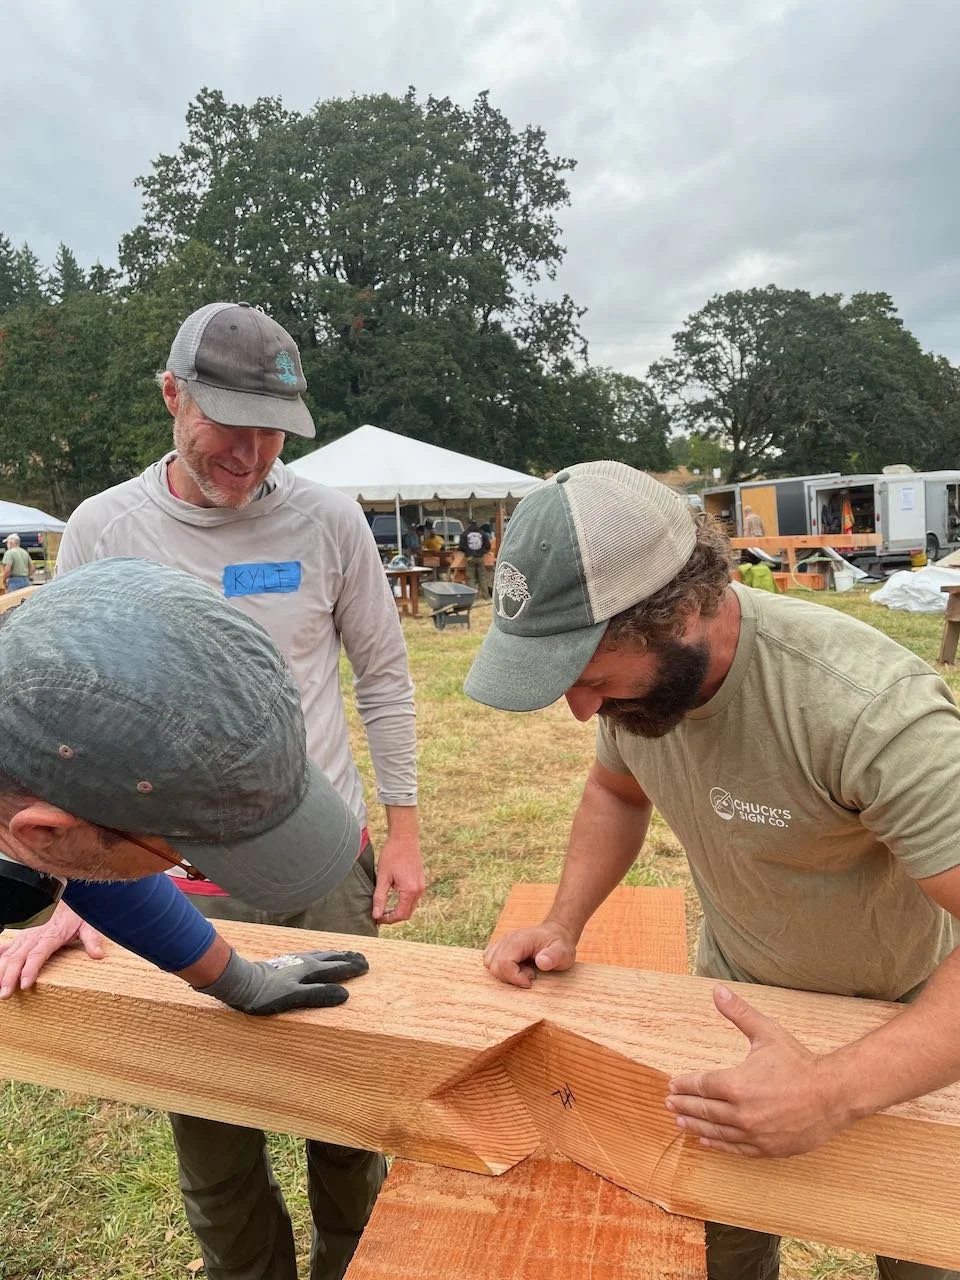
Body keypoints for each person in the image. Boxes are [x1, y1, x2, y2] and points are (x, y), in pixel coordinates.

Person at [465, 460, 960, 1280]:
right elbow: (615, 792)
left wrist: (831, 1091)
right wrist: (563, 920)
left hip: (904, 1020)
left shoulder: (865, 707)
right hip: (734, 1004)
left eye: (589, 674)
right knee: (715, 1251)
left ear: (685, 609)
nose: (581, 708)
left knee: (923, 1252)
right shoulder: (640, 698)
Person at [50, 301, 425, 1280]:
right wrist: (68, 887)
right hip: (176, 886)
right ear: (172, 395)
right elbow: (60, 727)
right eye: (231, 422)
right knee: (215, 1146)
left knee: (347, 1123)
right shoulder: (104, 530)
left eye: (273, 430)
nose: (253, 452)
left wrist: (404, 827)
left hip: (321, 868)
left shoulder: (327, 517)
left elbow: (383, 672)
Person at [0, 558, 368, 1016]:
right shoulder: (53, 825)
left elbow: (90, 864)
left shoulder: (40, 804)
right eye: (184, 857)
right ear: (40, 831)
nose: (184, 865)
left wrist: (241, 982)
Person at [458, 520, 491, 598]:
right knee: (482, 577)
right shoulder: (482, 533)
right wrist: (481, 552)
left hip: (470, 558)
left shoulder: (465, 534)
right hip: (480, 558)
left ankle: (472, 597)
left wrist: (468, 553)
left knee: (471, 578)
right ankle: (486, 596)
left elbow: (461, 547)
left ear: (469, 525)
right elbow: (487, 546)